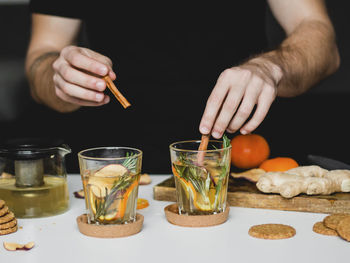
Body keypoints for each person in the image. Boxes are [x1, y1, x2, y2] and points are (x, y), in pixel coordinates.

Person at [25, 0, 339, 173]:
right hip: (115, 169)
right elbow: (41, 57)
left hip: (242, 162)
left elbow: (321, 41)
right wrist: (59, 78)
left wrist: (270, 68)